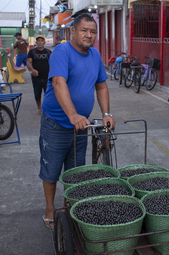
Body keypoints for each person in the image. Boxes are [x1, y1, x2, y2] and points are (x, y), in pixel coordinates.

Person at [39, 13, 115, 228]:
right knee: (51, 169)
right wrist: (72, 115)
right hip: (56, 123)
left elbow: (101, 85)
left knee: (75, 170)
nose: (89, 35)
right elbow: (58, 83)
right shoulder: (62, 52)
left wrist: (107, 113)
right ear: (72, 31)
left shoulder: (94, 55)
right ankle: (50, 209)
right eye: (84, 30)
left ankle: (69, 207)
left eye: (93, 32)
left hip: (82, 126)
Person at [27, 35, 52, 115]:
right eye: (38, 41)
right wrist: (32, 70)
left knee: (48, 94)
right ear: (36, 42)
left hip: (47, 77)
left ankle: (46, 108)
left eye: (41, 40)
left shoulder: (48, 52)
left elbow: (53, 63)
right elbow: (28, 63)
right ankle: (39, 107)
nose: (40, 42)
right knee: (37, 94)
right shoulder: (32, 52)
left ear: (44, 42)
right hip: (36, 77)